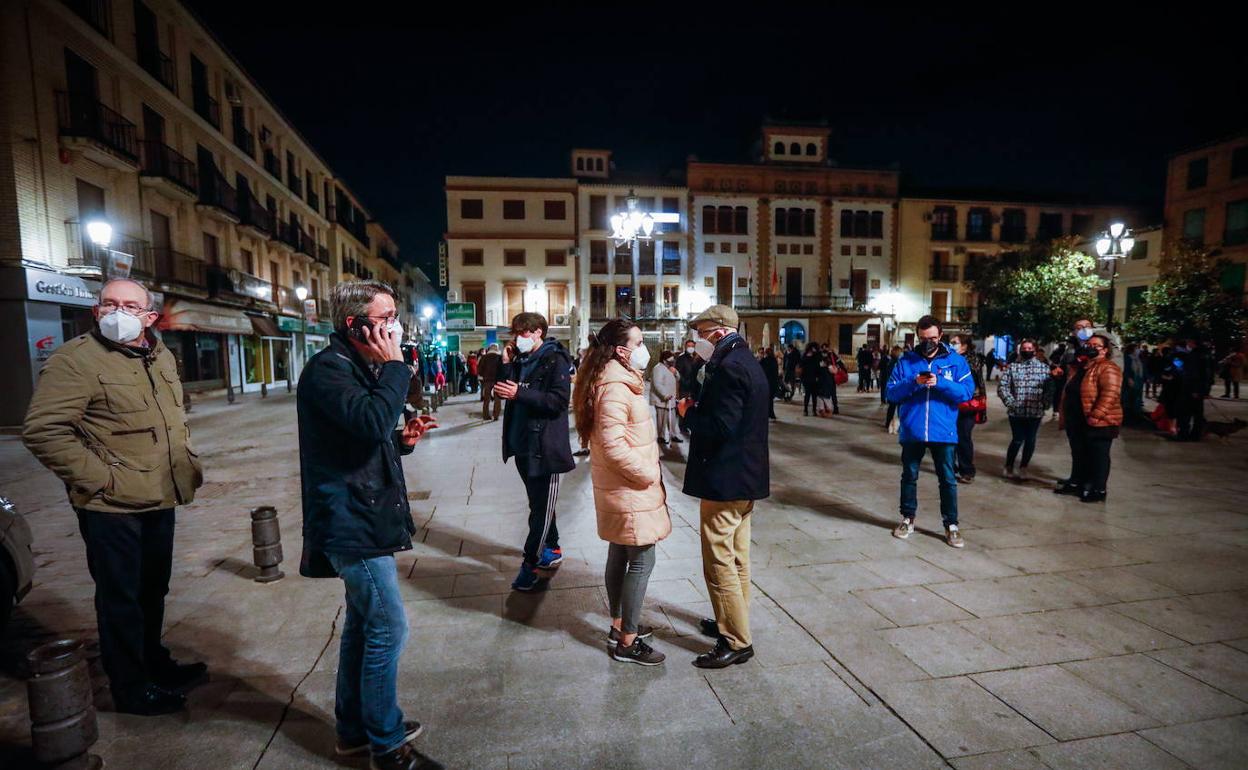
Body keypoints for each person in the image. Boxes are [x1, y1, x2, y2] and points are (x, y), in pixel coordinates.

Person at [23, 279, 206, 716]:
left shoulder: (158, 354)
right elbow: (43, 430)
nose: (117, 312)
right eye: (109, 304)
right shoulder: (76, 360)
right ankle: (130, 686)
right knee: (120, 597)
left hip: (160, 492)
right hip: (112, 506)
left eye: (130, 305)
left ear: (150, 316)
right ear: (95, 311)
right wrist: (102, 480)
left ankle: (153, 661)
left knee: (152, 588)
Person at [295, 280, 442, 770]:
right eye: (385, 318)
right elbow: (370, 421)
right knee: (388, 626)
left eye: (395, 316)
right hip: (349, 519)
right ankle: (385, 743)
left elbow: (365, 433)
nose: (394, 327)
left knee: (362, 626)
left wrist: (402, 440)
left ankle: (354, 731)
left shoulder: (353, 368)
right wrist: (397, 367)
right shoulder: (328, 371)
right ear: (355, 324)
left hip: (362, 510)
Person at [572, 320, 672, 666]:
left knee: (620, 553)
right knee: (642, 558)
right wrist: (646, 473)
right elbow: (613, 445)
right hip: (629, 486)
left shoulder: (612, 377)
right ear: (621, 350)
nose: (644, 349)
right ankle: (628, 641)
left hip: (620, 487)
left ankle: (619, 625)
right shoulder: (615, 385)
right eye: (639, 342)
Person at [676, 305, 769, 668]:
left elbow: (721, 426)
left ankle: (736, 640)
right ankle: (733, 621)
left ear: (717, 331)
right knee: (738, 559)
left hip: (725, 480)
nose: (698, 339)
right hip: (745, 478)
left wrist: (688, 413)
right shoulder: (747, 361)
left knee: (719, 563)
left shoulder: (729, 368)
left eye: (701, 332)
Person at [494, 313, 576, 591]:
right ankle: (551, 548)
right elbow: (505, 390)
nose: (518, 338)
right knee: (539, 505)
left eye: (523, 332)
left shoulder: (556, 359)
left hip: (545, 449)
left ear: (538, 332)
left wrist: (520, 393)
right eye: (515, 332)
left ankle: (529, 565)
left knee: (540, 510)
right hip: (522, 445)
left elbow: (558, 401)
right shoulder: (519, 359)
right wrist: (505, 365)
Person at [885, 315, 973, 548]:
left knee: (947, 479)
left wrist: (940, 383)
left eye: (932, 338)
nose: (928, 342)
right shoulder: (906, 361)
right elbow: (891, 393)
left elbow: (966, 392)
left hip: (943, 432)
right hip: (913, 431)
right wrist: (914, 382)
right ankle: (907, 519)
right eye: (923, 338)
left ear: (940, 336)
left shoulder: (956, 362)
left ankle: (951, 525)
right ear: (917, 337)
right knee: (909, 476)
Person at [1054, 333, 1122, 503]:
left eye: (1096, 345)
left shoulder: (1108, 367)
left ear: (1105, 350)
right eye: (1088, 345)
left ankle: (1098, 489)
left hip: (1099, 421)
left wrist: (1097, 415)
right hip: (1077, 419)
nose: (1090, 348)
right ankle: (1077, 482)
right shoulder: (1083, 367)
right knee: (1079, 453)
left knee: (1098, 456)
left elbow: (1110, 394)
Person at [997, 338, 1049, 479]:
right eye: (1023, 349)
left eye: (1029, 348)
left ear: (1035, 350)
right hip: (1016, 411)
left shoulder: (1044, 368)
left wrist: (1045, 403)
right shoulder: (1013, 367)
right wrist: (1011, 402)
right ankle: (1009, 465)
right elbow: (1003, 387)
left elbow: (1049, 389)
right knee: (1017, 439)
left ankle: (1024, 467)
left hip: (1035, 411)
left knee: (1030, 440)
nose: (1026, 351)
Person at [950, 334, 985, 484]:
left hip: (967, 405)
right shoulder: (949, 358)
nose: (952, 345)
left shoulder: (972, 360)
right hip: (950, 403)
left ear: (964, 345)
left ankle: (967, 470)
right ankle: (951, 467)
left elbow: (975, 384)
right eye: (951, 342)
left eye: (955, 343)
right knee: (950, 437)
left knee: (963, 437)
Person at [1171, 337, 1211, 441]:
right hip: (1198, 389)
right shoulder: (1205, 354)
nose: (1187, 344)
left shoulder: (1194, 356)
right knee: (1197, 414)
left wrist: (1195, 390)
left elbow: (1194, 374)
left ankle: (1184, 434)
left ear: (1192, 343)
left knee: (1185, 412)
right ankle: (1195, 435)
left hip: (1191, 389)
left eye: (1188, 342)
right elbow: (1208, 375)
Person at [650, 349, 680, 445]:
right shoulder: (658, 368)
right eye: (669, 361)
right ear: (664, 360)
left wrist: (675, 373)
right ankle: (661, 437)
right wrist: (665, 395)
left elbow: (678, 378)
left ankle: (673, 435)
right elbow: (657, 384)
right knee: (661, 420)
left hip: (671, 398)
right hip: (661, 399)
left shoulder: (671, 367)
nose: (671, 362)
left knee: (672, 419)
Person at [477, 343, 503, 421]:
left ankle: (486, 415)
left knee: (486, 398)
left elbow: (480, 369)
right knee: (497, 399)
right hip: (497, 380)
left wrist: (483, 375)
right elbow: (503, 369)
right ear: (497, 349)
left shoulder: (484, 357)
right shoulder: (500, 357)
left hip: (487, 380)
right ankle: (496, 415)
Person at [1121, 343, 1145, 418]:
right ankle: (1128, 414)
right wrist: (1128, 378)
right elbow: (1125, 369)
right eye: (1136, 348)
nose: (1138, 350)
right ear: (1132, 350)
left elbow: (1142, 369)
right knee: (1129, 396)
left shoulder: (1138, 358)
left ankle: (1136, 412)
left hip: (1138, 379)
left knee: (1137, 396)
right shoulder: (1127, 358)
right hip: (1131, 379)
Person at [881, 346, 902, 429]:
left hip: (893, 387)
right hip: (897, 387)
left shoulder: (891, 362)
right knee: (899, 407)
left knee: (892, 407)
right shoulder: (896, 363)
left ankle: (888, 423)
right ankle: (899, 424)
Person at [816, 349, 841, 416]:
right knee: (825, 396)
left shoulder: (821, 364)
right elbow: (835, 371)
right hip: (826, 382)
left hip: (823, 382)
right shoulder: (828, 365)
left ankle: (824, 410)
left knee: (822, 396)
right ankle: (826, 410)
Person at [800, 342, 822, 416]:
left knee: (814, 396)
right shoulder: (804, 356)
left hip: (814, 378)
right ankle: (805, 410)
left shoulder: (816, 356)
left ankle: (813, 410)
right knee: (807, 395)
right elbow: (801, 366)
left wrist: (818, 376)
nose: (813, 349)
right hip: (807, 378)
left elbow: (819, 365)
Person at [759, 346, 780, 420]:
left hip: (765, 382)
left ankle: (767, 413)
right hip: (772, 382)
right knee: (770, 399)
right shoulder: (774, 360)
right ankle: (771, 413)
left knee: (766, 399)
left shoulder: (764, 360)